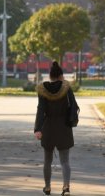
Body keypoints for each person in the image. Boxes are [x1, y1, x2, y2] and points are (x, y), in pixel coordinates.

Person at [34, 61, 76, 196]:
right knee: (65, 160)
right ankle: (66, 187)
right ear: (61, 75)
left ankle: (47, 187)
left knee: (47, 160)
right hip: (64, 127)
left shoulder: (43, 90)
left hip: (48, 127)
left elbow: (40, 110)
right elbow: (74, 107)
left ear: (50, 75)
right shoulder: (67, 88)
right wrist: (72, 121)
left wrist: (38, 129)